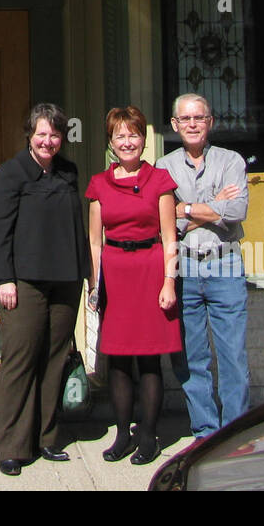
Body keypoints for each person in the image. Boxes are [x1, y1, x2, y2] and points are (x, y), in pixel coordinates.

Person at [0, 103, 91, 476]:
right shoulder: (12, 173)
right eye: (42, 133)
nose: (48, 140)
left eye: (55, 134)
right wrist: (4, 279)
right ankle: (12, 446)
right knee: (20, 358)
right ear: (30, 134)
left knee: (54, 358)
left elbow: (77, 226)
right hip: (24, 281)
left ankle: (47, 438)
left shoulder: (69, 171)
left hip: (65, 279)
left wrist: (88, 273)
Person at [87, 106, 181, 465]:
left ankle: (148, 436)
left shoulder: (160, 180)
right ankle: (122, 433)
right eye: (120, 136)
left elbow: (170, 237)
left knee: (149, 360)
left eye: (134, 135)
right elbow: (95, 241)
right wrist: (95, 285)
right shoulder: (99, 183)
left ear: (144, 139)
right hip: (116, 273)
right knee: (119, 361)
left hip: (150, 269)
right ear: (110, 142)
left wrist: (169, 281)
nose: (127, 142)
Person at [158, 93, 250, 440]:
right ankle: (206, 432)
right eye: (186, 119)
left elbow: (237, 211)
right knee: (191, 357)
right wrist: (213, 207)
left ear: (210, 122)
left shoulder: (231, 161)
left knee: (232, 357)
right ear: (174, 125)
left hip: (225, 264)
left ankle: (235, 432)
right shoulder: (164, 168)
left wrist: (185, 209)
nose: (193, 124)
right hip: (183, 269)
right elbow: (164, 222)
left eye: (200, 118)